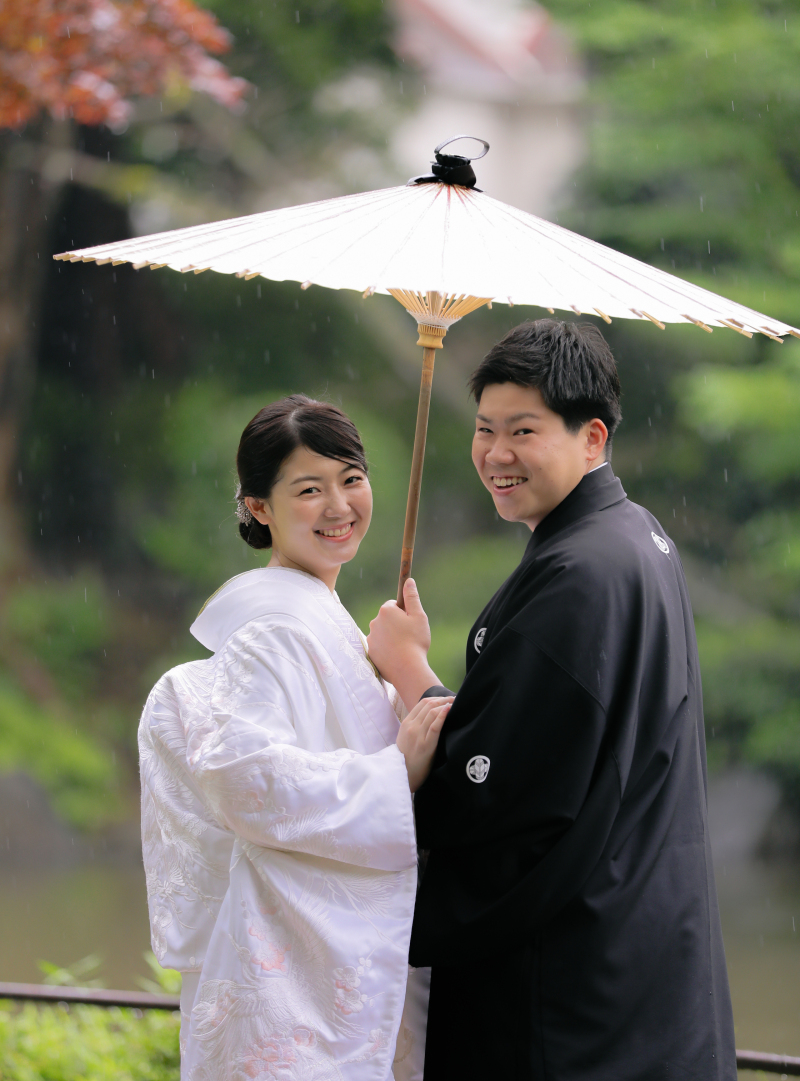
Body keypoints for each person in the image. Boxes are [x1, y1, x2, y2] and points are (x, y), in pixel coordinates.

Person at [368, 320, 737, 1081]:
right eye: (484, 431)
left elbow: (494, 786)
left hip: (570, 988)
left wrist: (409, 673)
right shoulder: (635, 537)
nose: (496, 456)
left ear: (592, 437)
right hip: (644, 947)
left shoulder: (580, 576)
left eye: (523, 432)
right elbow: (548, 740)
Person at [139, 395, 450, 1081]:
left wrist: (399, 677)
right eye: (309, 489)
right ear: (258, 507)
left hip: (310, 964)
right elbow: (239, 774)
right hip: (285, 975)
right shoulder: (274, 627)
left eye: (351, 478)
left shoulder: (320, 617)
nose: (339, 505)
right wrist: (392, 771)